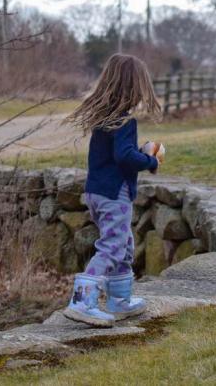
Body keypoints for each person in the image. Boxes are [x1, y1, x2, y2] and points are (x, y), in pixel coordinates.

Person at [62, 53, 162, 327]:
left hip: (96, 191)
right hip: (114, 194)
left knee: (124, 243)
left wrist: (139, 154)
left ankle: (119, 300)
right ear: (135, 88)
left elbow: (118, 154)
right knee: (113, 245)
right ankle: (82, 302)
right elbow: (125, 157)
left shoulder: (104, 119)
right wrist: (150, 160)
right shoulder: (124, 121)